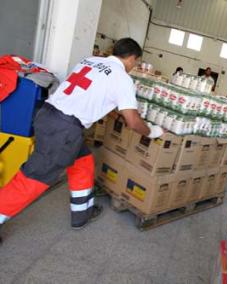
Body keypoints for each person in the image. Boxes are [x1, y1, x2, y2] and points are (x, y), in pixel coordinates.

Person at [0, 38, 163, 243]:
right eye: (135, 63)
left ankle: (82, 212)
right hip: (64, 131)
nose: (133, 67)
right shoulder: (122, 78)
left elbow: (89, 92)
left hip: (48, 116)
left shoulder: (89, 61)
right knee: (32, 178)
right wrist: (152, 132)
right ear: (132, 58)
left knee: (83, 160)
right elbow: (132, 121)